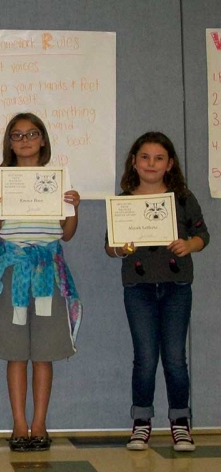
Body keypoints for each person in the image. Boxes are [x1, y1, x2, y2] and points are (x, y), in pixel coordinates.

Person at [0, 112, 82, 452]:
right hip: (13, 271)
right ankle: (19, 424)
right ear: (9, 142)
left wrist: (74, 209)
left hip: (48, 272)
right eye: (17, 135)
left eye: (31, 134)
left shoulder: (56, 179)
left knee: (44, 354)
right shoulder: (1, 179)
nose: (24, 141)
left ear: (42, 140)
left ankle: (39, 423)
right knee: (15, 353)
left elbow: (66, 233)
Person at [105, 132, 209, 452]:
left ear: (170, 164)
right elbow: (111, 248)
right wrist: (121, 248)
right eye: (145, 157)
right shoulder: (123, 201)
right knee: (145, 358)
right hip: (139, 289)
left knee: (176, 358)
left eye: (159, 158)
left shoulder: (182, 198)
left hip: (177, 286)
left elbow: (202, 235)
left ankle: (180, 422)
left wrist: (188, 244)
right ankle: (141, 422)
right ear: (134, 162)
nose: (151, 163)